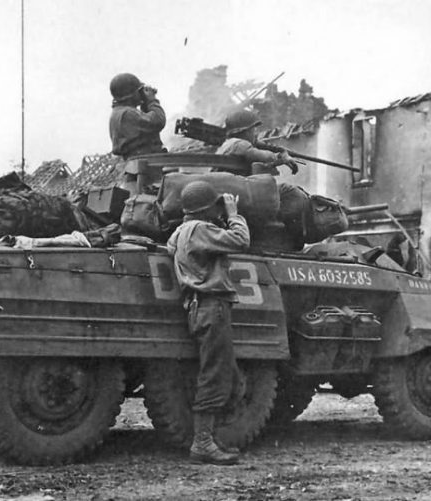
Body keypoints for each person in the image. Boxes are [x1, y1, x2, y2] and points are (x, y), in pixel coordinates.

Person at [167, 181, 250, 465]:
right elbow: (241, 240)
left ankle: (210, 436)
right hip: (212, 306)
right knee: (215, 374)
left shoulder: (178, 233)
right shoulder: (200, 230)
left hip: (198, 307)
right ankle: (202, 442)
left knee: (223, 371)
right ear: (207, 208)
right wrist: (233, 212)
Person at [108, 73, 166, 193]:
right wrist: (152, 101)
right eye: (139, 91)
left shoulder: (119, 112)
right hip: (146, 169)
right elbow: (157, 121)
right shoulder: (127, 114)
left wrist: (145, 103)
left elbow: (146, 126)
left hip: (138, 168)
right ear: (131, 95)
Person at [216, 109, 299, 176]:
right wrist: (281, 157)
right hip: (234, 188)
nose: (255, 133)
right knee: (289, 190)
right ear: (246, 131)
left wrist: (281, 151)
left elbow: (265, 149)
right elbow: (266, 157)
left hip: (231, 185)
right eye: (253, 129)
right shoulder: (240, 144)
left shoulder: (230, 144)